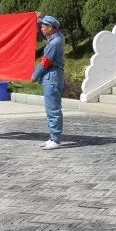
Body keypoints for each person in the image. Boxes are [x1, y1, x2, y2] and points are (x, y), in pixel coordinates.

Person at [32, 15, 65, 150]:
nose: (41, 28)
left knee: (53, 108)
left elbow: (45, 62)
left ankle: (56, 139)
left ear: (51, 28)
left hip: (52, 76)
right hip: (53, 75)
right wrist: (39, 17)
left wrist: (35, 75)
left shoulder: (54, 43)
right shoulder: (58, 37)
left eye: (43, 26)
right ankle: (53, 136)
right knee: (51, 107)